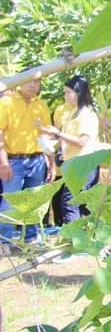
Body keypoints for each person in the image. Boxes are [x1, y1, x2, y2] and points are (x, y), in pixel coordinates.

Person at [0, 79, 54, 245]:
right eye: (29, 81)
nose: (32, 85)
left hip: (37, 160)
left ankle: (32, 238)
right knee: (10, 202)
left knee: (35, 201)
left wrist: (51, 162)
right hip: (13, 160)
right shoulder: (6, 103)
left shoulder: (41, 106)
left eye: (37, 82)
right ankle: (5, 242)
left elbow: (45, 136)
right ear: (20, 82)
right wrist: (3, 163)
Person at [43, 75, 101, 225]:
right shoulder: (73, 114)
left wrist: (58, 134)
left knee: (71, 203)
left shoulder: (87, 115)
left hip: (83, 164)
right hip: (74, 164)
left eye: (69, 92)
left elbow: (82, 141)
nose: (66, 96)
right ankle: (78, 235)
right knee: (73, 202)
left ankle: (73, 237)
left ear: (79, 93)